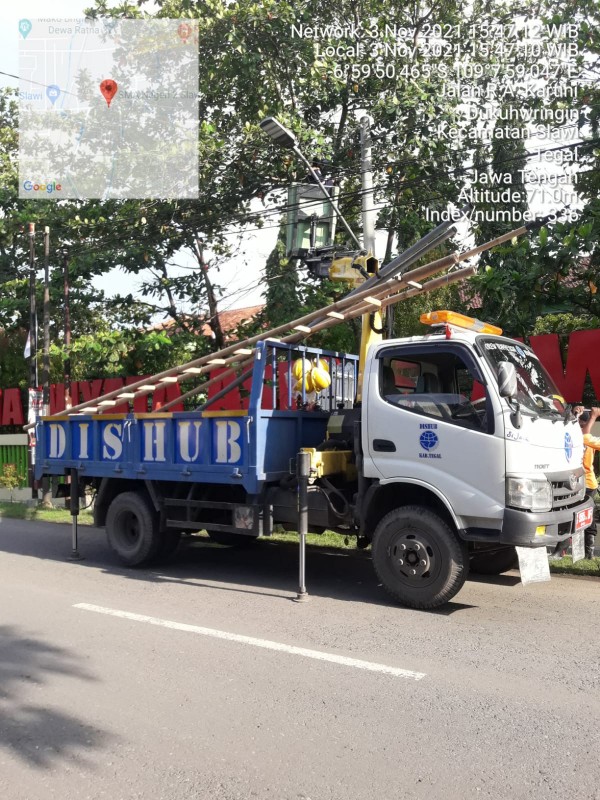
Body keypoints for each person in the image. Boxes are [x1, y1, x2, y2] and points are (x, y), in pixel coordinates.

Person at [577, 406, 600, 559]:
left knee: (587, 517)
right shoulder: (574, 435)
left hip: (588, 484)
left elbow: (584, 436)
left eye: (580, 423)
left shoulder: (588, 439)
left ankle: (589, 553)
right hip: (578, 483)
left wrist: (593, 417)